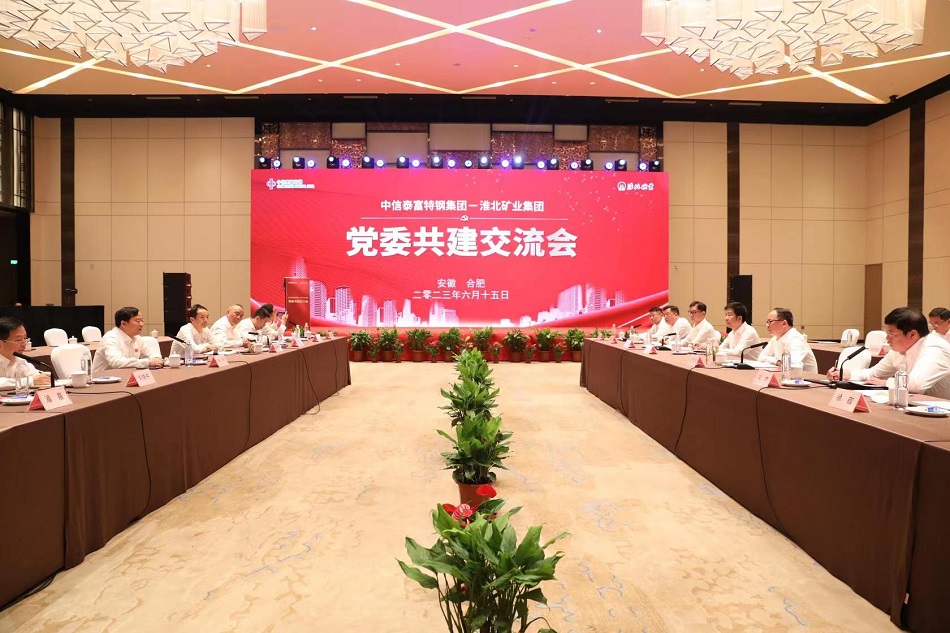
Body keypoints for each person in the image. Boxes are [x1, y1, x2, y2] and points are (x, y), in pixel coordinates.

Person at [829, 307, 950, 399]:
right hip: (918, 405)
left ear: (912, 334)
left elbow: (915, 385)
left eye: (891, 333)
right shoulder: (899, 349)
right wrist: (847, 374)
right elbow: (874, 374)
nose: (887, 339)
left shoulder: (935, 348)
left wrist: (886, 382)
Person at [91, 307, 164, 373]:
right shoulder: (111, 338)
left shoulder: (137, 338)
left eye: (142, 320)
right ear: (123, 324)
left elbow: (151, 353)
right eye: (138, 321)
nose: (141, 324)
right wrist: (147, 362)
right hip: (102, 379)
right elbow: (116, 362)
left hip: (125, 376)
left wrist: (156, 359)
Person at [758, 307, 817, 373]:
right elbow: (761, 357)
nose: (767, 325)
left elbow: (793, 364)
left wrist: (777, 362)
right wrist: (777, 362)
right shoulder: (775, 338)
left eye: (770, 321)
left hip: (805, 378)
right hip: (785, 374)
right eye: (767, 322)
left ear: (784, 323)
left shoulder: (796, 339)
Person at [0, 317, 51, 389]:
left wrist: (44, 376)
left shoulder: (20, 360)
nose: (24, 344)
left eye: (25, 338)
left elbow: (34, 375)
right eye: (18, 340)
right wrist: (29, 381)